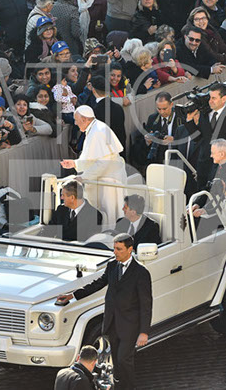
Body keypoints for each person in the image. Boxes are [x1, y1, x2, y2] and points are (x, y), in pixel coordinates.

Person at [56, 233, 152, 390]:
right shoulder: (112, 265)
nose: (115, 252)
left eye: (119, 249)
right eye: (114, 248)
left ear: (130, 249)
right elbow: (98, 283)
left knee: (124, 359)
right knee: (117, 362)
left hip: (130, 326)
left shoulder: (141, 272)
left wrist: (144, 332)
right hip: (112, 323)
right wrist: (73, 295)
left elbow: (146, 304)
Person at [61, 106, 126, 228]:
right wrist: (75, 163)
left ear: (84, 119)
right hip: (103, 178)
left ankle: (110, 234)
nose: (75, 123)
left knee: (110, 212)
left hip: (108, 180)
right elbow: (93, 158)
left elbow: (103, 162)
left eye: (76, 120)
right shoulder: (94, 128)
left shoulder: (98, 131)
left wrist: (84, 177)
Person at [184, 81, 226, 187]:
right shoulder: (204, 114)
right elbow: (198, 138)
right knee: (202, 194)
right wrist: (189, 122)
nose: (210, 101)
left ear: (224, 99)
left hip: (223, 166)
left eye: (214, 98)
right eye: (209, 97)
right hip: (204, 164)